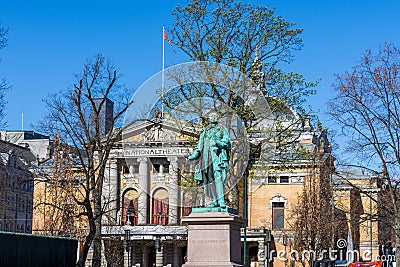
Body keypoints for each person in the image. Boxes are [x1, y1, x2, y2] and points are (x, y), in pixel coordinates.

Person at [187, 112, 231, 208]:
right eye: (211, 116)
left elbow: (227, 143)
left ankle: (221, 201)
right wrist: (193, 156)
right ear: (209, 118)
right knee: (209, 180)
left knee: (218, 177)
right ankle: (215, 201)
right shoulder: (205, 131)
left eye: (215, 116)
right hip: (206, 158)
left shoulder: (221, 129)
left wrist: (218, 143)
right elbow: (199, 147)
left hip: (217, 157)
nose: (213, 117)